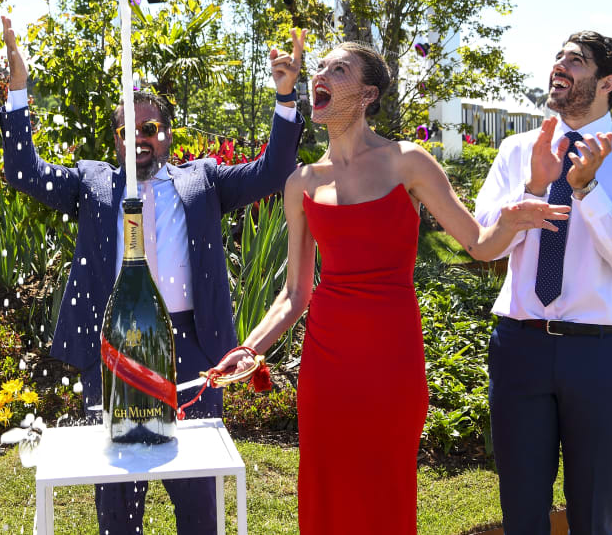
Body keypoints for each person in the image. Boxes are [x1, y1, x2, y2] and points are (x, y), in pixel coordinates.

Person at [215, 42, 570, 534]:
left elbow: (480, 244)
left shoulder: (408, 162)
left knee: (385, 486)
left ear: (366, 95)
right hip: (327, 365)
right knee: (327, 485)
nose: (321, 74)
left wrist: (515, 215)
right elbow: (296, 294)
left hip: (391, 360)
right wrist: (250, 349)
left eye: (338, 69)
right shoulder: (301, 182)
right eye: (320, 68)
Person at [0, 15, 305, 534]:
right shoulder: (92, 182)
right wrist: (19, 89)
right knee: (117, 494)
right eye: (129, 129)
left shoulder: (202, 179)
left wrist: (285, 98)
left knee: (197, 492)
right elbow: (23, 173)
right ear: (116, 138)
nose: (140, 138)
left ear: (166, 135)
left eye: (151, 128)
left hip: (193, 344)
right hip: (115, 343)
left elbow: (272, 172)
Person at [473, 32, 612, 534]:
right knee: (520, 511)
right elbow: (484, 244)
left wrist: (588, 190)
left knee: (592, 514)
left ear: (608, 82)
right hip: (519, 346)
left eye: (576, 61)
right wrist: (535, 188)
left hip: (600, 357)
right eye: (559, 57)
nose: (559, 66)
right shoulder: (519, 149)